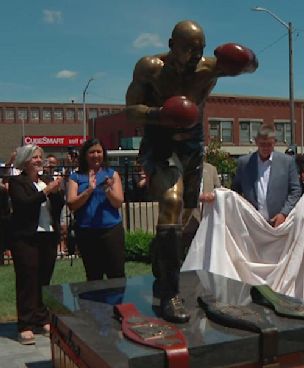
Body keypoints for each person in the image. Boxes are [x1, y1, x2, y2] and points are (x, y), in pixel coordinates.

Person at [124, 19, 257, 322]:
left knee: (183, 215)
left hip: (193, 147)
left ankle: (161, 259)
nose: (195, 55)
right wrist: (161, 114)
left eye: (200, 49)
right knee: (171, 203)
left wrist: (247, 58)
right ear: (172, 46)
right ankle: (170, 293)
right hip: (160, 143)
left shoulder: (209, 70)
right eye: (188, 49)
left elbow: (252, 67)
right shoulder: (150, 68)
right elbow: (130, 109)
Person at [8, 144, 64, 345]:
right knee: (27, 279)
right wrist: (46, 192)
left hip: (47, 235)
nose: (39, 161)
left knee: (44, 278)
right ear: (25, 161)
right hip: (26, 237)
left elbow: (56, 207)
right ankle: (25, 324)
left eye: (40, 157)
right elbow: (23, 204)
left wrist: (57, 192)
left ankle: (42, 318)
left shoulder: (45, 181)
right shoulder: (17, 182)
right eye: (35, 158)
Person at [67, 139, 125, 281]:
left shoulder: (112, 175)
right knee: (93, 276)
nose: (96, 155)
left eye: (99, 152)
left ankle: (117, 302)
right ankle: (96, 303)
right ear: (85, 155)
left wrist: (107, 190)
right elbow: (72, 204)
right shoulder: (76, 177)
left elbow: (118, 202)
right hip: (87, 232)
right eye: (92, 152)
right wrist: (89, 190)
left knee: (116, 273)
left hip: (111, 230)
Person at [231, 125, 301, 228]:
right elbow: (235, 190)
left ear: (275, 142)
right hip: (252, 223)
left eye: (269, 144)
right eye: (262, 144)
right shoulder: (244, 163)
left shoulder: (287, 162)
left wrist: (284, 213)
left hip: (279, 222)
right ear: (256, 142)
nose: (265, 148)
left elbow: (295, 190)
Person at [182, 160, 221, 247]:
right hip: (188, 218)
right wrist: (198, 197)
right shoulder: (183, 169)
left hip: (207, 218)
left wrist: (213, 196)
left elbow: (218, 190)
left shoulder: (211, 169)